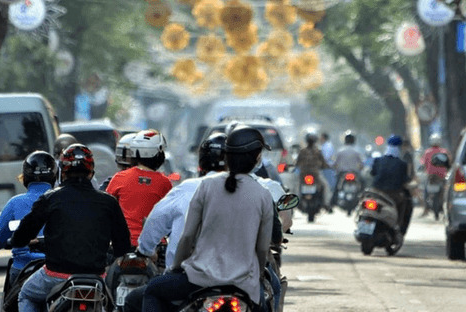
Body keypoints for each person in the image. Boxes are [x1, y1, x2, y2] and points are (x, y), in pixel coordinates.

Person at [141, 125, 275, 312]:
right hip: (243, 284)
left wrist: (177, 267)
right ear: (257, 158)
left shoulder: (206, 186)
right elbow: (262, 248)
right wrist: (258, 275)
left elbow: (187, 237)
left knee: (153, 290)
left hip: (198, 279)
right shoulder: (263, 195)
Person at [11, 144, 131, 312]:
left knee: (26, 295)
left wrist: (16, 240)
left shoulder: (50, 198)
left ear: (63, 173)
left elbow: (24, 233)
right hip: (96, 279)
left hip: (54, 275)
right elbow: (123, 246)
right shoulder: (109, 202)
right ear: (91, 173)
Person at [0, 151, 56, 285]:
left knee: (20, 300)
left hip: (24, 267)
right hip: (59, 267)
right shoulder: (61, 199)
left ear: (25, 177)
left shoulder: (15, 203)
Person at [105, 129, 172, 247]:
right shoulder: (164, 183)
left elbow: (105, 209)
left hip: (123, 244)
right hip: (154, 245)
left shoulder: (119, 178)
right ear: (158, 154)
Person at [370, 135, 412, 235]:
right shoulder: (402, 164)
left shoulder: (378, 160)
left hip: (376, 192)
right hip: (394, 195)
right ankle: (398, 228)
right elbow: (405, 180)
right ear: (399, 148)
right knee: (406, 204)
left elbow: (372, 173)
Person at [295, 131, 332, 212]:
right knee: (325, 186)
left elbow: (297, 163)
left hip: (303, 175)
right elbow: (324, 163)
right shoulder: (318, 151)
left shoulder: (302, 151)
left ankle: (296, 203)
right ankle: (326, 204)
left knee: (297, 186)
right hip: (316, 175)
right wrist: (327, 167)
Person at [332, 130, 365, 207]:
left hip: (342, 173)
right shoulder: (356, 151)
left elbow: (335, 164)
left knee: (336, 187)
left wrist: (335, 168)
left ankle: (332, 203)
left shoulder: (340, 151)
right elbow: (361, 164)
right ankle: (363, 199)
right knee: (363, 184)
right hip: (354, 173)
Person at [420, 133, 450, 217]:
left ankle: (426, 208)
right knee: (446, 192)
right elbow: (448, 163)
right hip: (441, 176)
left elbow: (424, 164)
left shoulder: (427, 152)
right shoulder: (444, 152)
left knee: (425, 191)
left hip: (431, 176)